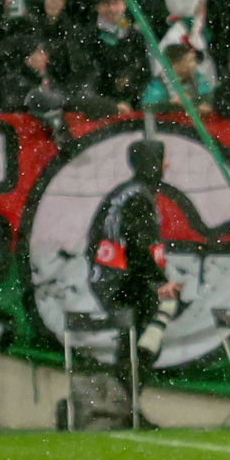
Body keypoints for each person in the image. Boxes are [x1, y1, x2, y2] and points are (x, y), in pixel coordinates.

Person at [88, 139, 183, 379]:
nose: (168, 164)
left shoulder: (123, 192)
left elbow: (94, 238)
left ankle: (124, 408)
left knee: (133, 346)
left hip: (113, 279)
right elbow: (138, 250)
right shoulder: (139, 198)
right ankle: (124, 406)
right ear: (152, 163)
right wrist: (161, 282)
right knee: (143, 346)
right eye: (163, 159)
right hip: (125, 283)